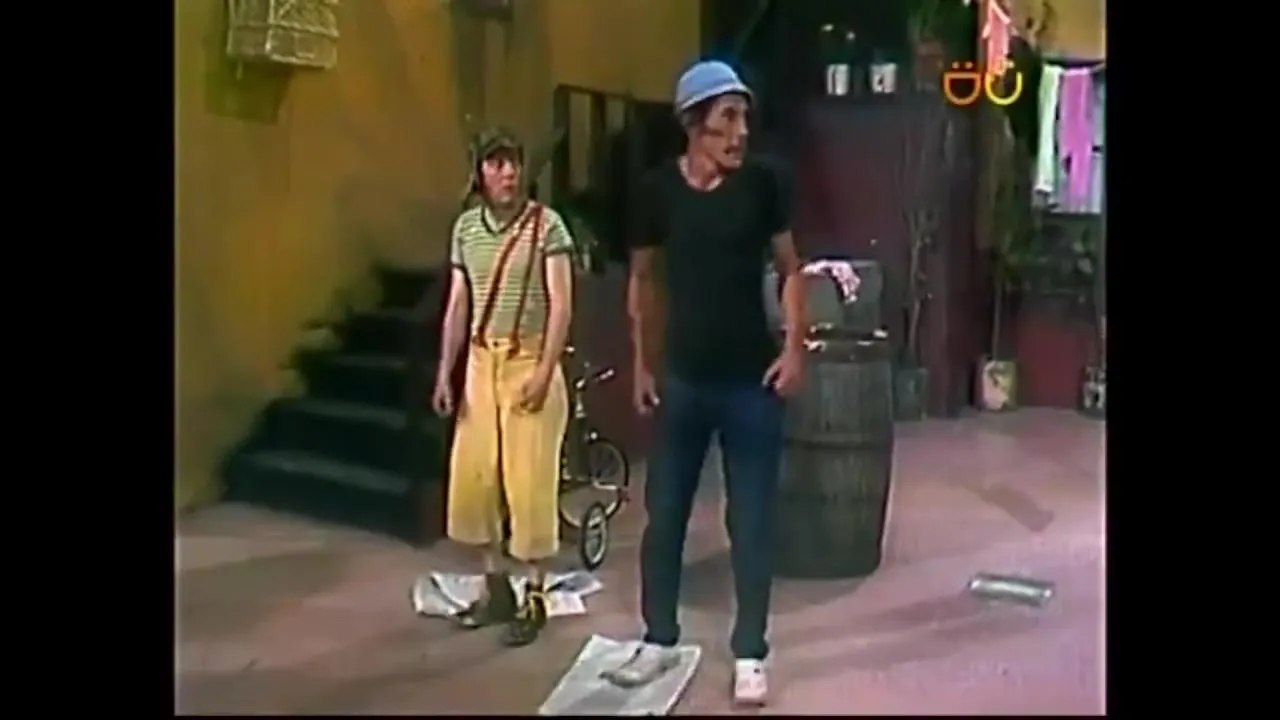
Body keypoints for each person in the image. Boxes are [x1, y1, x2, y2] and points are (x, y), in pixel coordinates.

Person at [615, 60, 806, 705]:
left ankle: (750, 652)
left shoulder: (763, 184)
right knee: (665, 513)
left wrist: (795, 348)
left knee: (750, 521)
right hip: (684, 382)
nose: (741, 131)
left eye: (745, 117)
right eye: (728, 117)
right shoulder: (656, 193)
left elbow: (791, 269)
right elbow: (643, 279)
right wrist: (642, 363)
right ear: (693, 124)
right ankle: (658, 638)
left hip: (751, 385)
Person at [432, 127, 576, 647]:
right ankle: (495, 587)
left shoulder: (547, 226)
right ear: (480, 173)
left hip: (528, 358)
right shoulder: (467, 229)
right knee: (475, 478)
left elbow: (561, 305)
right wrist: (446, 371)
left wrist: (544, 371)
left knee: (528, 481)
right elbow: (459, 303)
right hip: (480, 362)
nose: (509, 173)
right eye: (496, 163)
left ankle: (534, 594)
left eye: (514, 162)